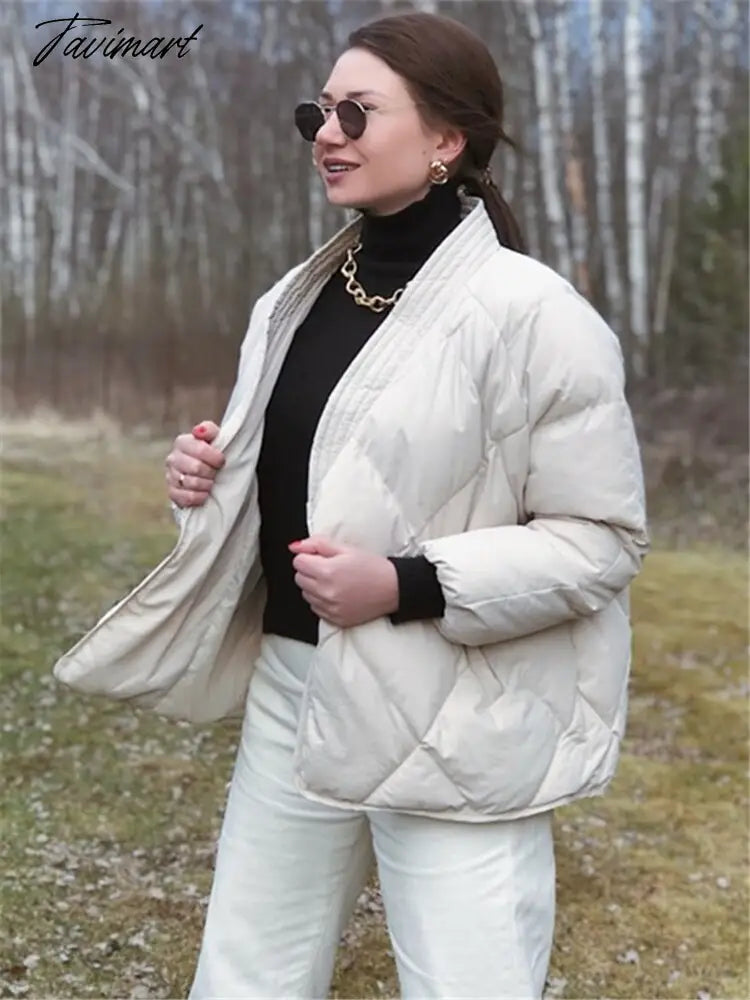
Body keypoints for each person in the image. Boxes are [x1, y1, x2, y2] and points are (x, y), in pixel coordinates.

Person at [53, 11, 649, 1000]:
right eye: (318, 113)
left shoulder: (536, 315)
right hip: (296, 682)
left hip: (459, 709)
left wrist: (407, 583)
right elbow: (319, 475)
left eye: (358, 114)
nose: (327, 134)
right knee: (246, 976)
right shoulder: (297, 297)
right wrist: (211, 480)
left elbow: (603, 541)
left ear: (447, 139)